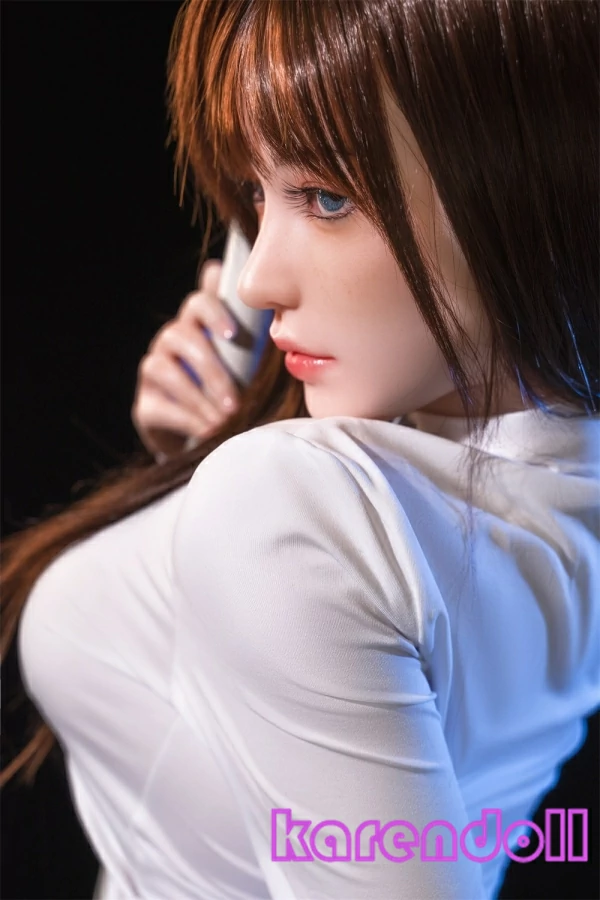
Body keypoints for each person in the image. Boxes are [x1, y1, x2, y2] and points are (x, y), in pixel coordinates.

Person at [2, 1, 598, 898]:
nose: (257, 280)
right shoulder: (546, 492)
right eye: (255, 192)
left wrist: (233, 496)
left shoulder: (290, 509)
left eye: (327, 198)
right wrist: (196, 469)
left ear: (523, 179)